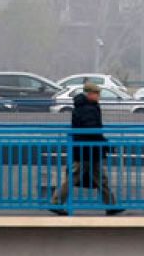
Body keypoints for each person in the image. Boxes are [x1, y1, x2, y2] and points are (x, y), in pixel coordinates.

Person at [50, 81, 124, 215]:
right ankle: (56, 202)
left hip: (87, 149)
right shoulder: (88, 108)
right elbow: (92, 130)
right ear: (90, 94)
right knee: (77, 177)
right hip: (87, 150)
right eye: (97, 94)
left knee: (99, 178)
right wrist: (103, 143)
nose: (98, 97)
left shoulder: (85, 106)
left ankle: (111, 205)